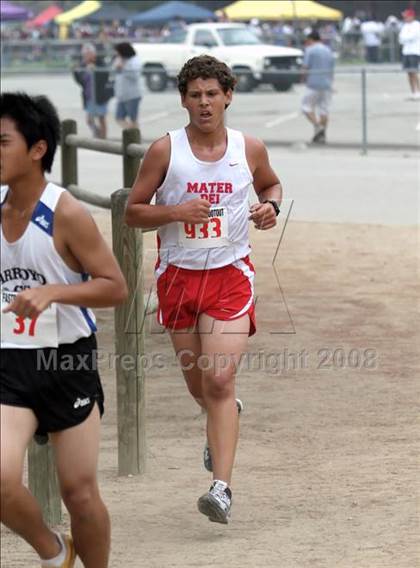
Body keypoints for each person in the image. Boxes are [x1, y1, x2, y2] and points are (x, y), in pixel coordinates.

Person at [125, 55, 283, 524]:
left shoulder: (248, 147)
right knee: (201, 387)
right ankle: (224, 414)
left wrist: (269, 208)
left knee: (218, 377)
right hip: (178, 278)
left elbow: (271, 185)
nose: (204, 103)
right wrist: (174, 213)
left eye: (213, 93)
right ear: (183, 100)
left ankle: (221, 489)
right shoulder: (164, 151)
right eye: (195, 95)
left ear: (228, 95)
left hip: (230, 276)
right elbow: (133, 212)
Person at [0, 92, 128, 567]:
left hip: (66, 359)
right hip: (9, 360)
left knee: (79, 491)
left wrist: (54, 292)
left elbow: (115, 287)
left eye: (2, 142)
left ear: (37, 149)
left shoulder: (66, 212)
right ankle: (54, 553)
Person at [301, 30, 335, 145]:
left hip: (313, 83)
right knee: (324, 110)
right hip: (326, 84)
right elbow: (331, 68)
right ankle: (322, 135)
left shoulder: (310, 50)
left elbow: (305, 66)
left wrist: (303, 78)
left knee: (306, 107)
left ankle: (318, 126)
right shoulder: (328, 50)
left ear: (311, 39)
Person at [72, 43, 113, 139]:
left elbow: (105, 77)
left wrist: (95, 70)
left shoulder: (100, 62)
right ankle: (98, 135)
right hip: (89, 96)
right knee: (89, 120)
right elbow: (81, 82)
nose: (86, 56)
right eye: (85, 54)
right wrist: (75, 72)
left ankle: (104, 138)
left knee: (101, 118)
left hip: (100, 95)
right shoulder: (82, 65)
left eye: (89, 54)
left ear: (94, 54)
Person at [112, 42, 143, 130]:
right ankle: (131, 132)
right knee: (119, 118)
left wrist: (123, 68)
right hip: (121, 95)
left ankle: (135, 137)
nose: (117, 54)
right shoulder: (119, 59)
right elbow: (114, 70)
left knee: (133, 119)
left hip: (132, 95)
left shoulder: (135, 60)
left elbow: (135, 76)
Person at [399, 8, 420, 100]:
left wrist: (405, 38)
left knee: (414, 72)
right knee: (408, 73)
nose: (405, 18)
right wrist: (405, 38)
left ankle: (418, 91)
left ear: (412, 16)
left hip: (414, 51)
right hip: (406, 51)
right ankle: (413, 92)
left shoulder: (417, 25)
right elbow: (400, 38)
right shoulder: (405, 26)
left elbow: (412, 37)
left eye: (406, 16)